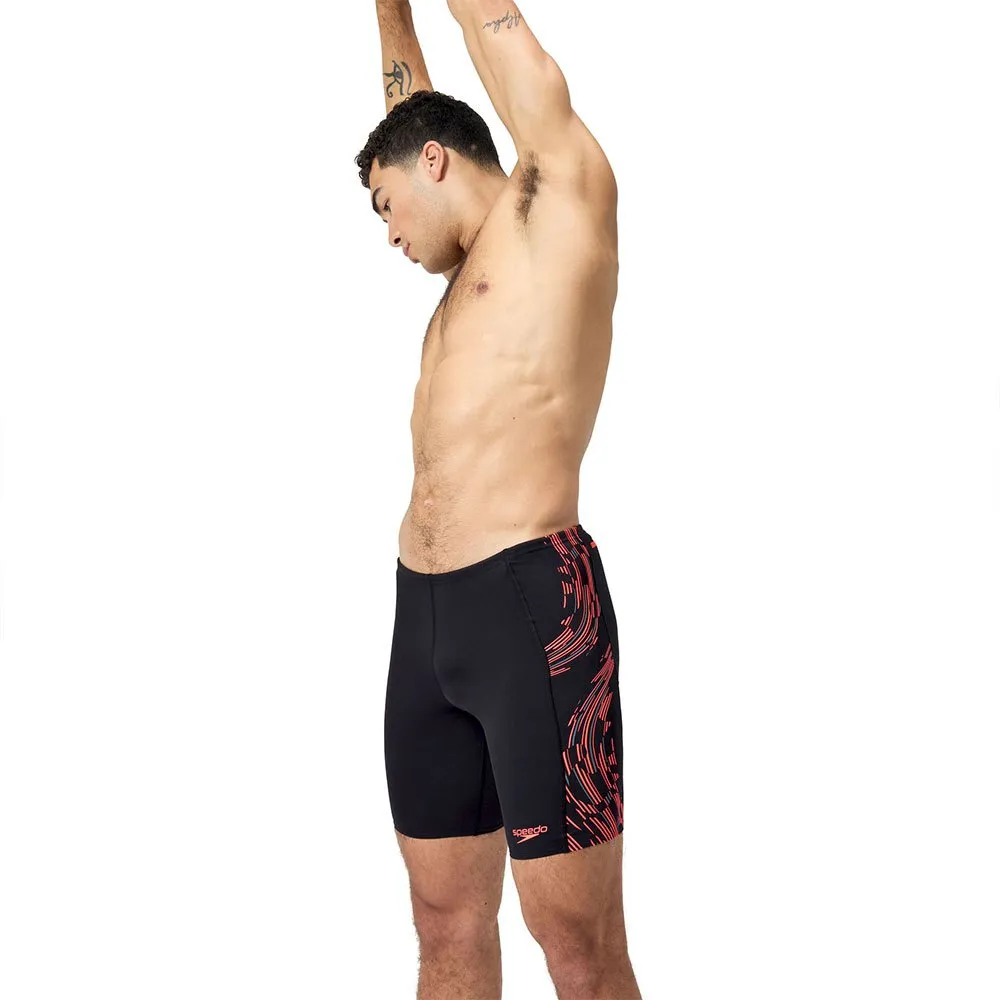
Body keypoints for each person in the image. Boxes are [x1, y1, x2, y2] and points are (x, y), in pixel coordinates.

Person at [356, 3, 639, 997]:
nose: (388, 231)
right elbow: (411, 112)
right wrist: (388, 9)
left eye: (385, 203)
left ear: (434, 162)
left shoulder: (558, 195)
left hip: (532, 610)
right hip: (424, 620)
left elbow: (491, 29)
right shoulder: (465, 273)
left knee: (576, 941)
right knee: (443, 923)